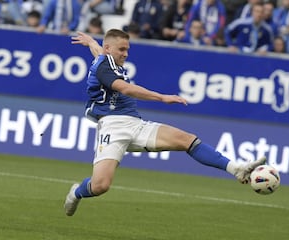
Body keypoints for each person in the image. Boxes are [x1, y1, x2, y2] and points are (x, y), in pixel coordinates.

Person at [63, 29, 267, 216]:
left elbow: (99, 51)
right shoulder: (104, 67)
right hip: (112, 127)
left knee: (187, 140)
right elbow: (125, 88)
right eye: (122, 49)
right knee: (100, 186)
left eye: (128, 50)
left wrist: (90, 41)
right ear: (109, 49)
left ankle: (236, 169)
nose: (126, 54)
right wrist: (162, 97)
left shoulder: (105, 58)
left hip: (136, 124)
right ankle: (77, 192)